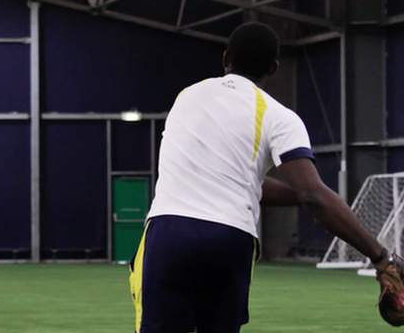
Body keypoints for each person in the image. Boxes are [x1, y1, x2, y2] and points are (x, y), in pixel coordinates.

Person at [128, 21, 390, 333]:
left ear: (226, 59)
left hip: (167, 232)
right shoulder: (279, 116)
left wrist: (304, 197)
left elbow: (246, 182)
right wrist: (380, 256)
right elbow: (312, 194)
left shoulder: (185, 97)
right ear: (274, 68)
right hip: (230, 237)